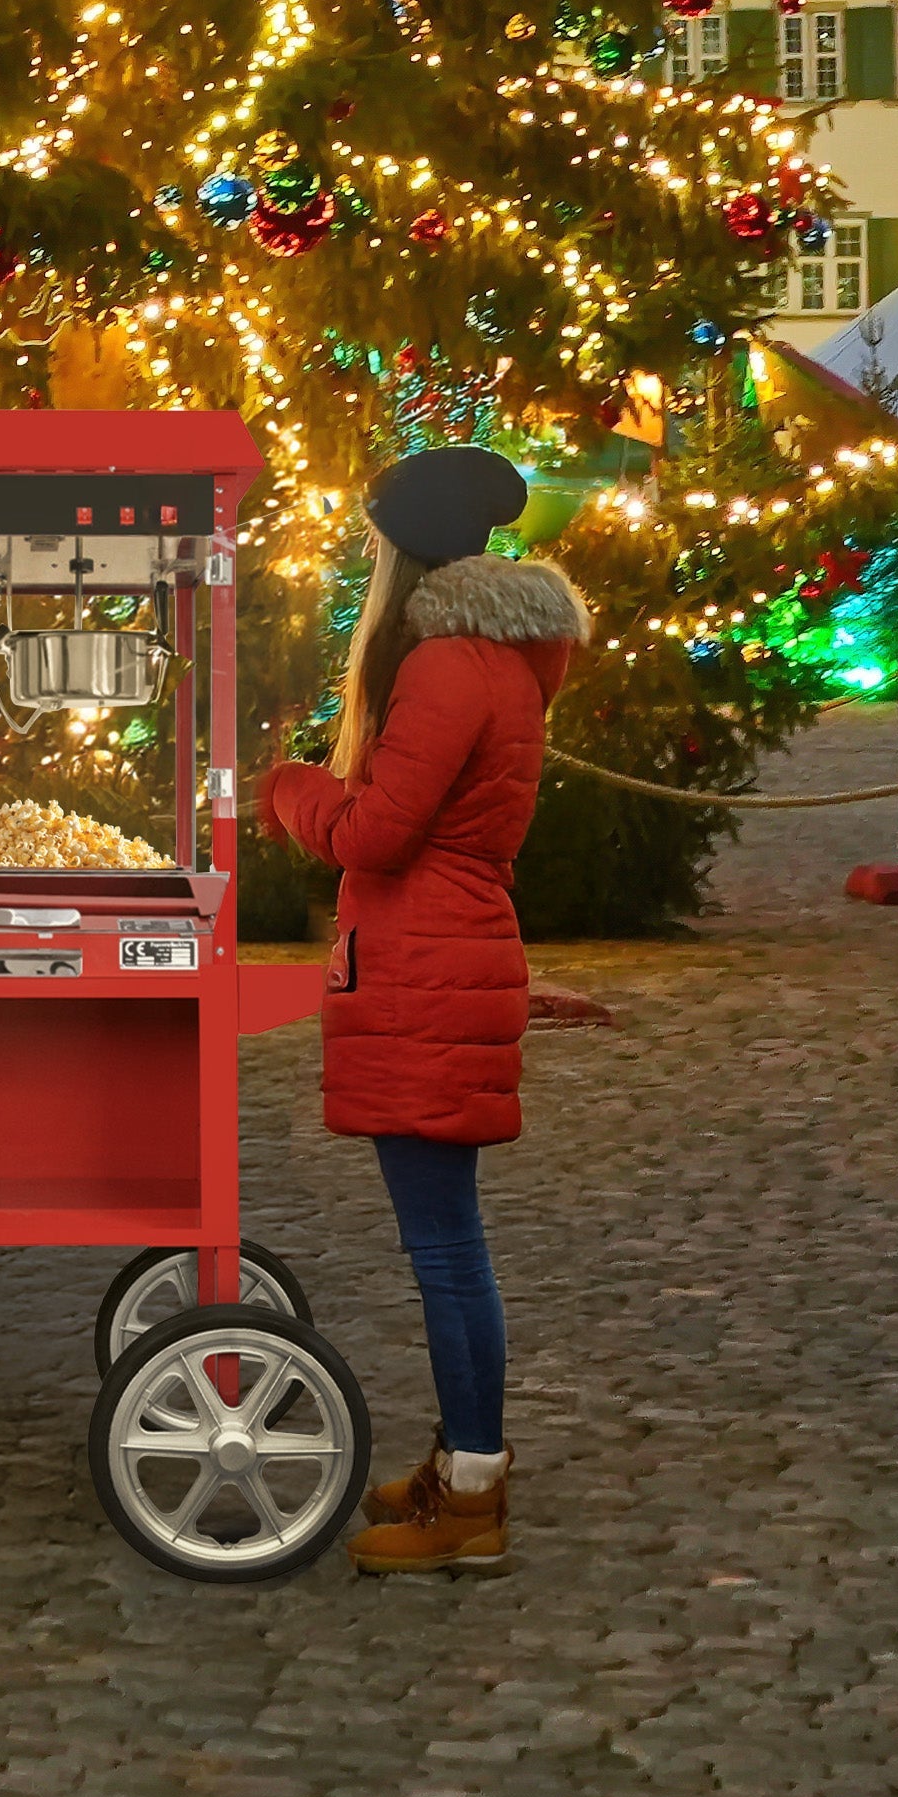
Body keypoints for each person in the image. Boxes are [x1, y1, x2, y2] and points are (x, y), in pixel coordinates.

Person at [261, 445, 591, 1575]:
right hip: (446, 955)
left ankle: (474, 1501)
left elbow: (374, 833)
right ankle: (463, 1460)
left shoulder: (446, 665)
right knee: (449, 1239)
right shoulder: (497, 655)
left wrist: (284, 786)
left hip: (426, 966)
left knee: (446, 1248)